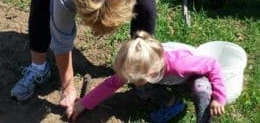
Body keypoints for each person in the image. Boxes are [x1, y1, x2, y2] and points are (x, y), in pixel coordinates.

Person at [10, 0, 161, 117]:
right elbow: (61, 38)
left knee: (146, 8)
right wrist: (67, 88)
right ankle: (38, 68)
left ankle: (139, 68)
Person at [71, 31, 227, 122]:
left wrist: (219, 97)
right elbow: (111, 84)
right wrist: (84, 103)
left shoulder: (180, 64)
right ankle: (173, 103)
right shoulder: (136, 64)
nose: (127, 81)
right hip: (167, 78)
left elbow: (212, 64)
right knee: (141, 89)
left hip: (189, 77)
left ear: (150, 74)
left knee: (202, 88)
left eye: (131, 79)